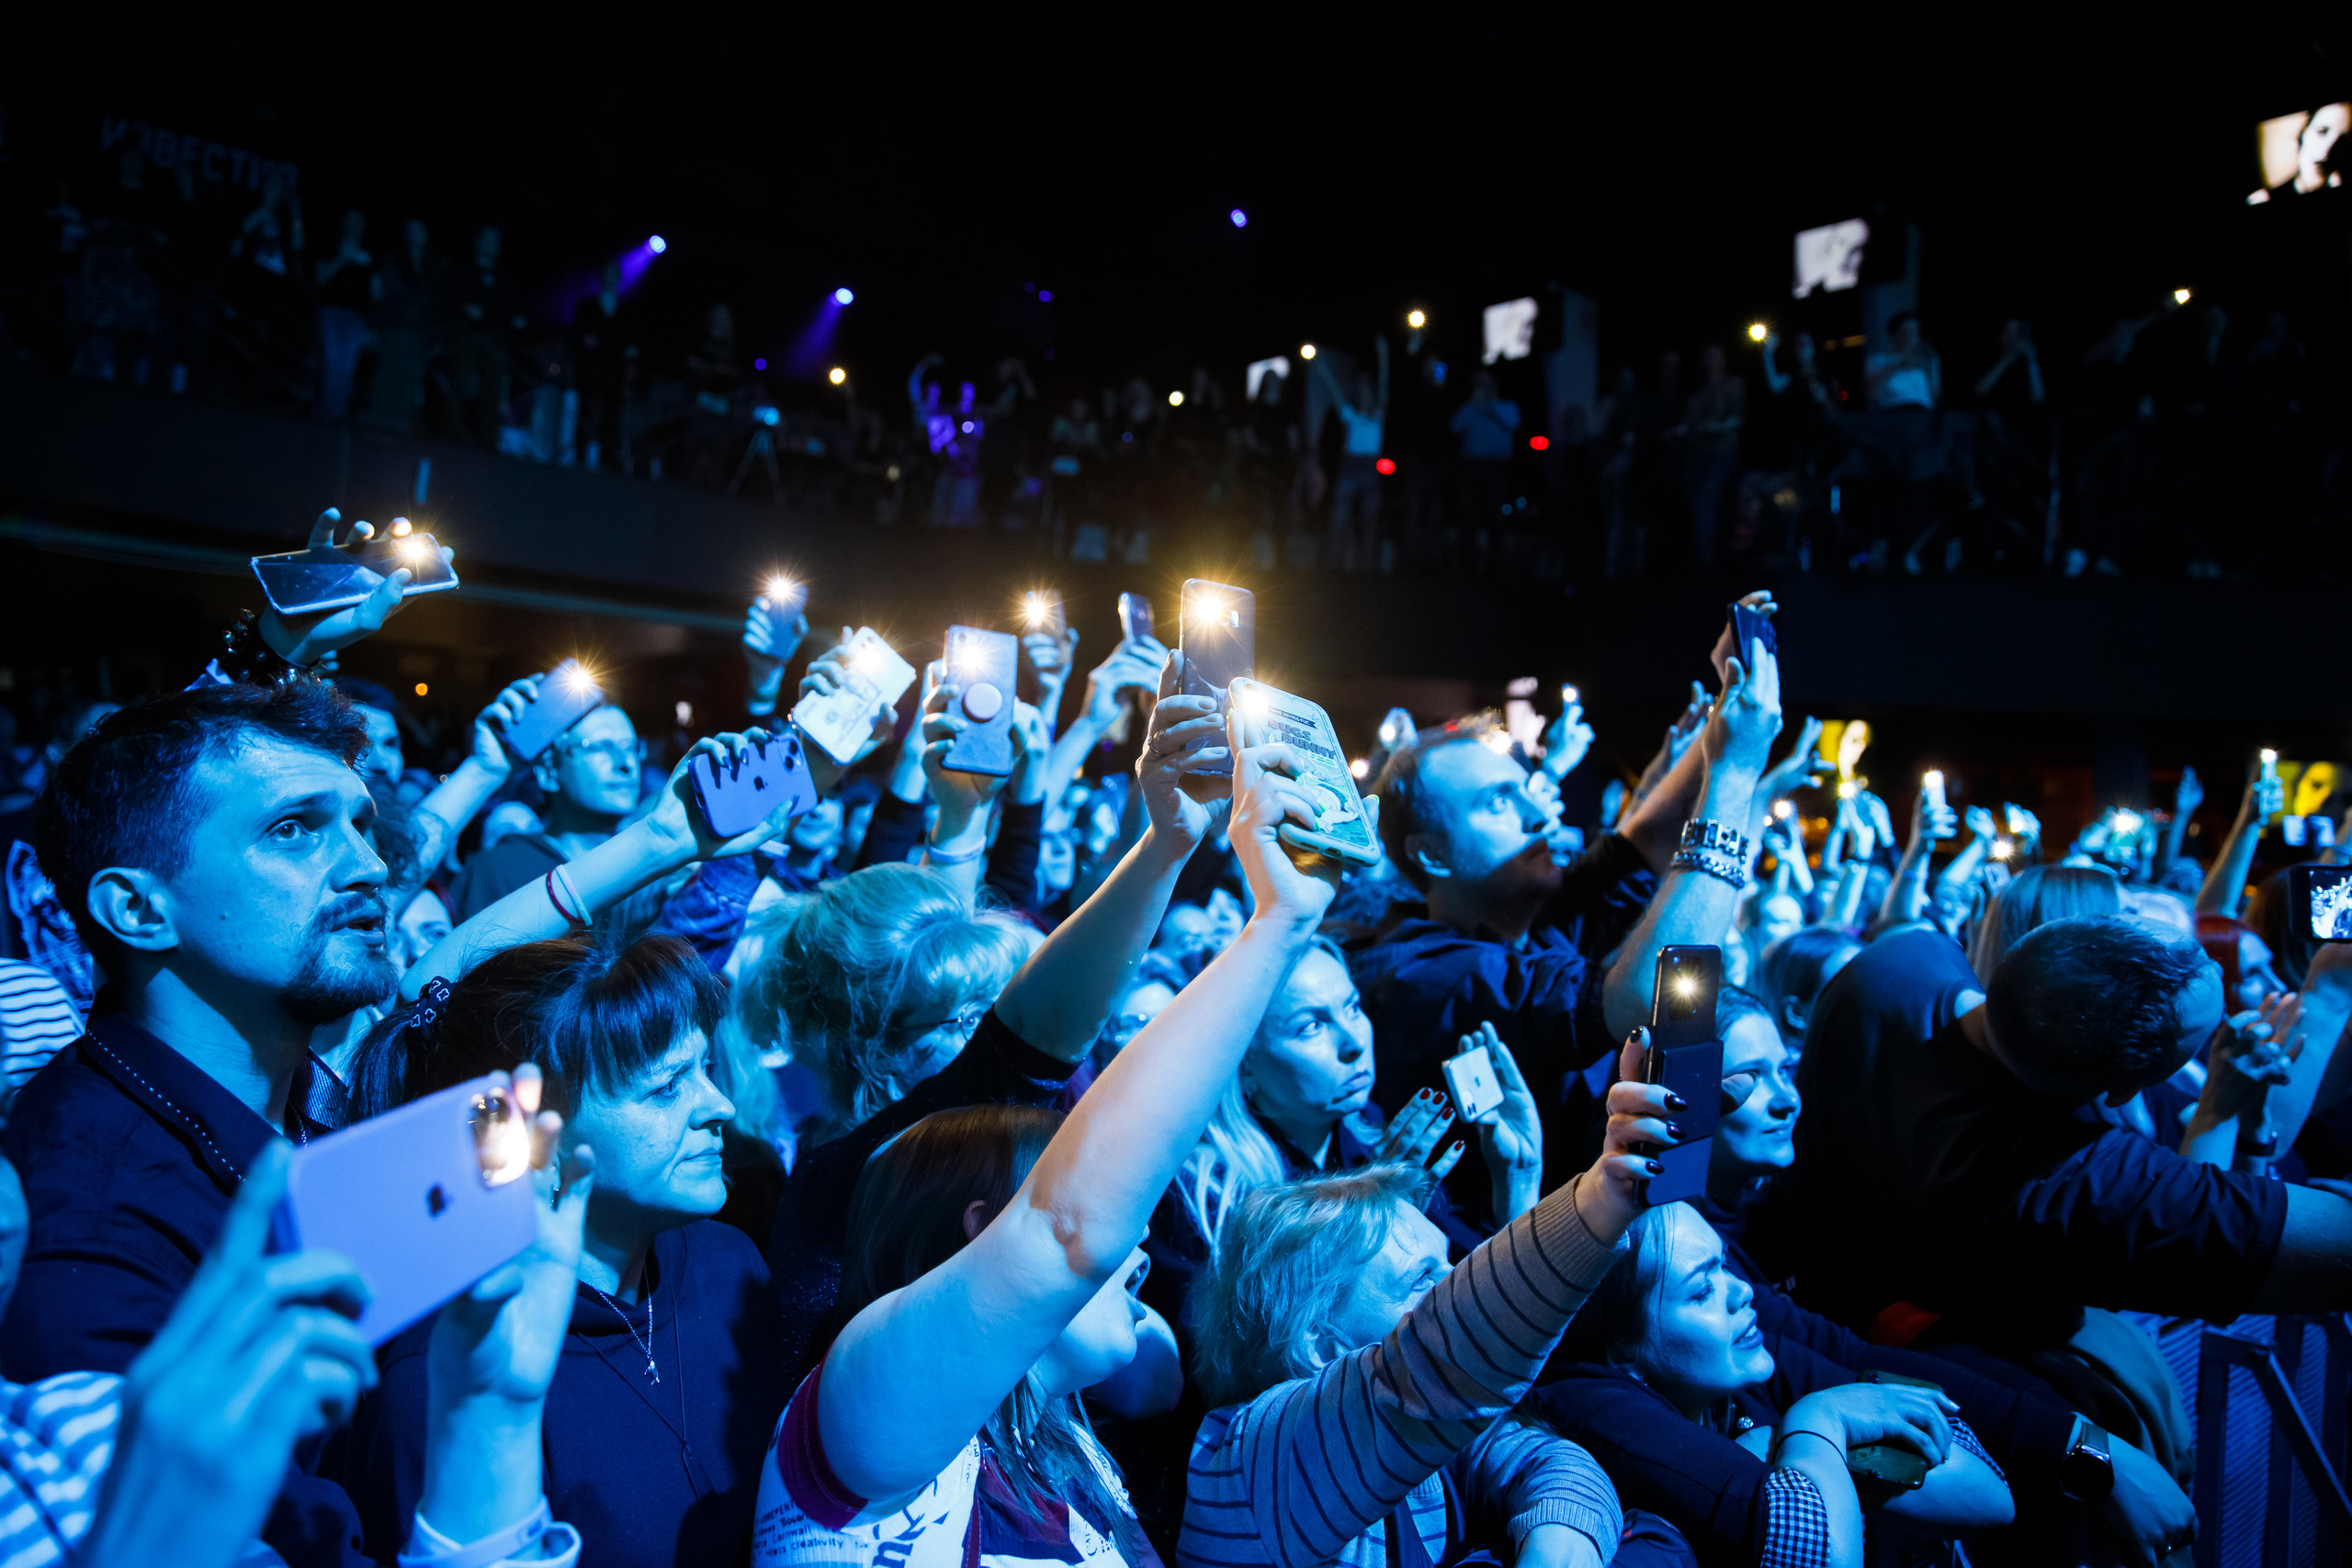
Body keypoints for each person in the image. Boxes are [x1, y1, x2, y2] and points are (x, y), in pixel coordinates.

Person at [746, 725, 1356, 1565]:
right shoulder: (862, 1406)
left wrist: (1167, 842)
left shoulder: (1053, 1430)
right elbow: (1061, 1207)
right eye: (963, 1021)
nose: (1137, 1254)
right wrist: (1276, 924)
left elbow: (1031, 1046)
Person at [756, 685, 1234, 1384]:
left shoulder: (961, 1139)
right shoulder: (848, 1179)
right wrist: (1168, 848)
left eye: (994, 1003)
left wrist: (961, 813)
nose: (986, 1027)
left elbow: (934, 962)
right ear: (866, 1048)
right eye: (965, 1020)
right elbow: (1020, 1039)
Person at [1747, 916, 2352, 1430]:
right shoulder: (2068, 1183)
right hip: (1977, 1395)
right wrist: (2221, 1105)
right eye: (2201, 1039)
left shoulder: (1897, 965)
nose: (2212, 964)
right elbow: (2228, 1236)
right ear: (2123, 1090)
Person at [345, 934, 781, 1567]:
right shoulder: (457, 1372)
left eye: (703, 1068)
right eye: (666, 1086)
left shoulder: (730, 1263)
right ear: (530, 1138)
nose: (720, 1106)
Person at [1178, 1032, 1677, 1568]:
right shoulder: (1249, 1461)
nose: (1456, 1278)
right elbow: (1435, 1359)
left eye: (1448, 1260)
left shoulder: (1424, 1442)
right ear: (1317, 1340)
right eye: (1420, 1280)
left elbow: (1541, 1457)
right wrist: (1603, 1197)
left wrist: (1558, 1533)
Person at [1347, 606, 1791, 1191]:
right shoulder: (1422, 975)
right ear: (1430, 854)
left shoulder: (1528, 913)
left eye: (1526, 790)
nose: (1538, 815)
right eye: (1498, 803)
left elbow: (1641, 844)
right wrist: (1734, 772)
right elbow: (1649, 1000)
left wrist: (1727, 711)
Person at [1536, 1202, 2014, 1567]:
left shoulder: (1742, 1362)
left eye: (1724, 1265)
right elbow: (1822, 1556)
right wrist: (1820, 1421)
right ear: (1623, 1350)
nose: (1742, 1291)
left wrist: (1787, 1449)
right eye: (1701, 1291)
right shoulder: (1607, 1416)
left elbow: (1991, 1496)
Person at [449, 704, 644, 921]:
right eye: (599, 747)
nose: (626, 764)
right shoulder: (501, 869)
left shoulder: (648, 866)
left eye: (632, 747)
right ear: (548, 771)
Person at [1316, 338, 1390, 572]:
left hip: (1369, 465)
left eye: (1368, 385)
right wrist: (1321, 365)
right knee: (1340, 517)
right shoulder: (1351, 413)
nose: (1364, 389)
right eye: (1361, 385)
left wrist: (1383, 357)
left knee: (1370, 517)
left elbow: (1384, 385)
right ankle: (1334, 566)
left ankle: (1367, 567)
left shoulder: (1378, 413)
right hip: (1350, 464)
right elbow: (1334, 390)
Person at [1450, 369, 1521, 573]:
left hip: (1496, 467)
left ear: (1495, 385)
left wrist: (1491, 405)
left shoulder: (1507, 407)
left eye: (1486, 384)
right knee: (1469, 515)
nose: (1483, 388)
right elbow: (1454, 426)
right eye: (1480, 384)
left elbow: (1512, 423)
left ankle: (1495, 567)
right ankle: (1467, 565)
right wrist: (1472, 403)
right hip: (1472, 466)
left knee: (1495, 516)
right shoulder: (1470, 407)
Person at [312, 209, 373, 422]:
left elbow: (375, 291)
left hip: (357, 317)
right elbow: (320, 277)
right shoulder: (331, 246)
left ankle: (337, 412)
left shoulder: (369, 255)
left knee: (347, 365)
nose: (355, 225)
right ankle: (326, 411)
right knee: (332, 361)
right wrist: (342, 258)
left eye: (359, 221)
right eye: (351, 220)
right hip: (331, 312)